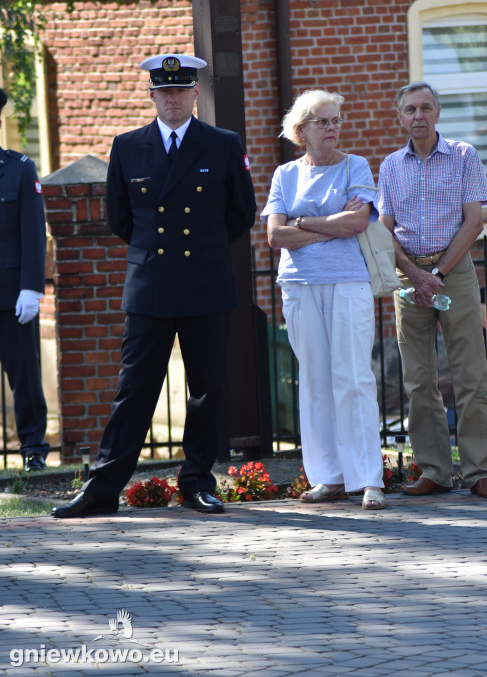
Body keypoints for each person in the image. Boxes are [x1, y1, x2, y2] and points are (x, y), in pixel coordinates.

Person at [52, 53, 256, 518]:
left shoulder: (222, 144)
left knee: (207, 388)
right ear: (152, 95)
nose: (173, 99)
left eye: (181, 90)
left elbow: (240, 213)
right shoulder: (128, 146)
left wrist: (198, 251)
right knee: (135, 387)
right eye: (164, 91)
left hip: (205, 282)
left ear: (194, 94)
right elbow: (119, 218)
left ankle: (198, 482)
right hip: (151, 285)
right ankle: (104, 487)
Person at [261, 89, 385, 510]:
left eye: (335, 120)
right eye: (322, 122)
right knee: (314, 382)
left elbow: (357, 222)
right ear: (301, 131)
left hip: (348, 282)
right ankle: (328, 477)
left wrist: (305, 224)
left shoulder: (356, 166)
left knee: (353, 378)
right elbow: (276, 236)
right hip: (298, 285)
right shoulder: (285, 175)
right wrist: (329, 224)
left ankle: (368, 478)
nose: (332, 128)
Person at [378, 80, 487, 498]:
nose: (418, 116)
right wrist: (415, 274)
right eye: (410, 110)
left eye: (425, 108)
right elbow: (384, 232)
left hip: (456, 274)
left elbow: (474, 223)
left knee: (470, 375)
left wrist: (439, 274)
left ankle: (479, 472)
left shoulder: (464, 156)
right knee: (418, 380)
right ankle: (433, 469)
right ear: (400, 117)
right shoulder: (391, 166)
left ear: (438, 113)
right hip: (408, 278)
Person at [0, 89, 49, 472]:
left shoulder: (18, 169)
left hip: (10, 295)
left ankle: (33, 448)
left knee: (26, 378)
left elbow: (33, 232)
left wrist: (32, 288)